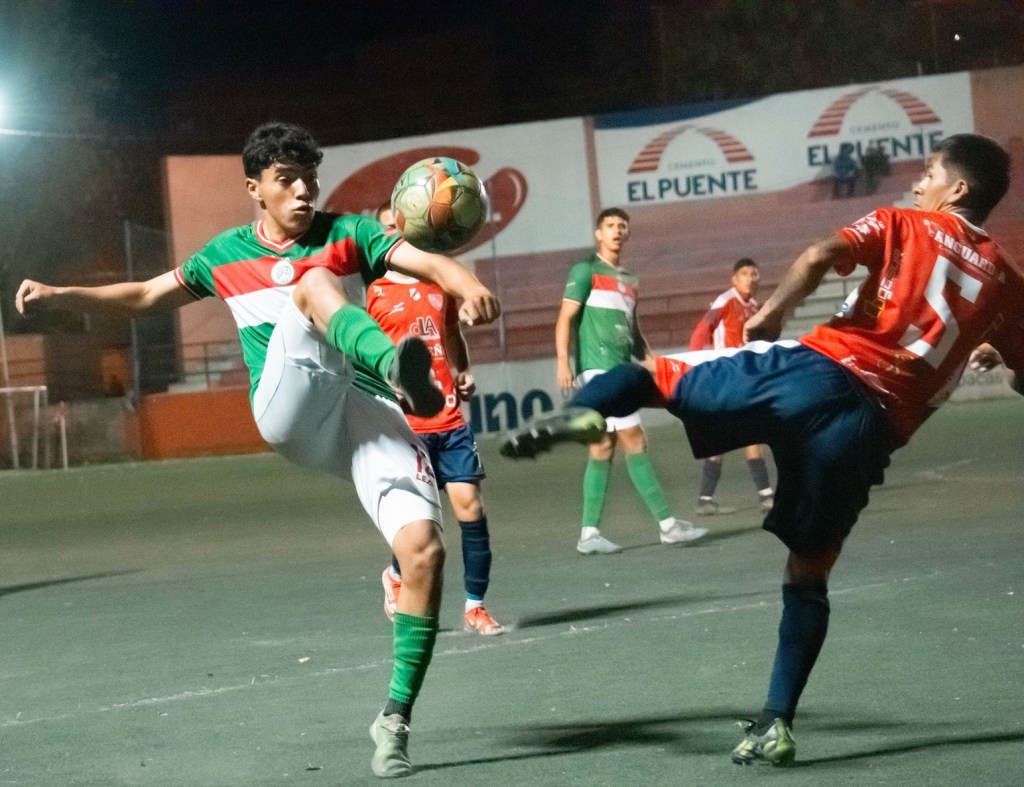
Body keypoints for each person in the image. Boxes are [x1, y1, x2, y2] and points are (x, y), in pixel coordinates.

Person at [503, 134, 1023, 766]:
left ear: (957, 189)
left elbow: (820, 252)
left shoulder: (903, 221)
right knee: (808, 576)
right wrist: (992, 352)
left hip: (815, 373)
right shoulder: (1007, 282)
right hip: (871, 431)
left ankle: (581, 416)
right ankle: (776, 723)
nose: (918, 182)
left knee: (654, 379)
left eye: (931, 172)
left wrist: (776, 310)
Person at [15, 122, 501, 780]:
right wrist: (64, 295)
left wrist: (466, 284)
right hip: (290, 408)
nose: (303, 192)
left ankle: (394, 718)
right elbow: (144, 297)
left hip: (363, 410)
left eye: (310, 180)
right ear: (255, 189)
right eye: (286, 181)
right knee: (314, 288)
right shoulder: (225, 253)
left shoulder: (351, 231)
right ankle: (396, 365)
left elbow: (429, 261)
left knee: (424, 550)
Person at [367, 206, 504, 637]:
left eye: (399, 225)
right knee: (421, 526)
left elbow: (450, 337)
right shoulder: (372, 292)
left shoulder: (439, 282)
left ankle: (476, 607)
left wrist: (461, 372)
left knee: (471, 509)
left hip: (449, 420)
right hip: (403, 428)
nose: (394, 232)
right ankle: (395, 574)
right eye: (387, 227)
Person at [554, 207, 706, 555]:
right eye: (610, 226)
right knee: (634, 440)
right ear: (598, 233)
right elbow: (565, 320)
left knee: (602, 447)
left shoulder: (630, 280)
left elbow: (633, 330)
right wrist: (564, 363)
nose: (617, 231)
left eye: (622, 226)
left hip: (621, 370)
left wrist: (652, 362)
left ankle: (589, 534)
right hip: (599, 371)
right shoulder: (584, 271)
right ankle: (668, 526)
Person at [688, 258, 774, 515]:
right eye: (745, 273)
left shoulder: (755, 307)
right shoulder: (725, 301)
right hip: (726, 378)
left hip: (743, 379)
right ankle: (767, 497)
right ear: (734, 279)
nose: (751, 278)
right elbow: (701, 333)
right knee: (753, 433)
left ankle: (705, 499)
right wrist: (696, 365)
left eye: (754, 273)